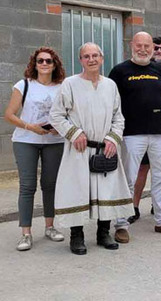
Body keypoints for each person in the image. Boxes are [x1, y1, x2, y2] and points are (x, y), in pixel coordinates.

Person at [50, 42, 133, 255]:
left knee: (105, 190)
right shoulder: (69, 84)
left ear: (102, 59)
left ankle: (103, 233)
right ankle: (76, 236)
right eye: (86, 56)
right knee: (77, 190)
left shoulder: (110, 85)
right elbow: (56, 115)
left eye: (95, 55)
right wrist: (74, 133)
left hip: (105, 148)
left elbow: (118, 116)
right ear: (80, 60)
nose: (91, 59)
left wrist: (113, 139)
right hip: (79, 149)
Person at [108, 31, 161, 240]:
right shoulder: (120, 71)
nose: (143, 50)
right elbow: (113, 102)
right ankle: (121, 224)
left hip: (159, 133)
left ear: (152, 47)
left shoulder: (159, 69)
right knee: (128, 179)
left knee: (160, 177)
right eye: (139, 45)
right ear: (132, 45)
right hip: (132, 133)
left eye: (147, 46)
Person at [3, 47, 66, 251]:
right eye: (41, 61)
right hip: (25, 140)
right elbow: (10, 115)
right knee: (27, 186)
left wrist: (59, 128)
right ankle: (26, 233)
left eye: (49, 61)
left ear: (55, 64)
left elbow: (69, 113)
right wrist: (31, 127)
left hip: (54, 142)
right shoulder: (24, 85)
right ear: (35, 63)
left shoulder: (62, 87)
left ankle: (50, 226)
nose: (45, 64)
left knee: (50, 184)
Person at [128, 36, 161, 224]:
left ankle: (158, 207)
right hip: (137, 131)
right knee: (140, 170)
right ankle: (132, 207)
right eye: (156, 48)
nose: (159, 51)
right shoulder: (128, 70)